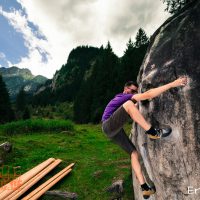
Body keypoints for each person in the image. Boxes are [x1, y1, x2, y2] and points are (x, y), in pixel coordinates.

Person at [101, 77, 187, 199]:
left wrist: (141, 100)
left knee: (133, 153)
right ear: (125, 89)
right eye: (132, 91)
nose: (134, 94)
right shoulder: (122, 97)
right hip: (108, 125)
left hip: (113, 131)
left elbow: (138, 105)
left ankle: (145, 188)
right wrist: (173, 84)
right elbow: (146, 95)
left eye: (136, 92)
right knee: (130, 104)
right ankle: (152, 132)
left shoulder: (125, 99)